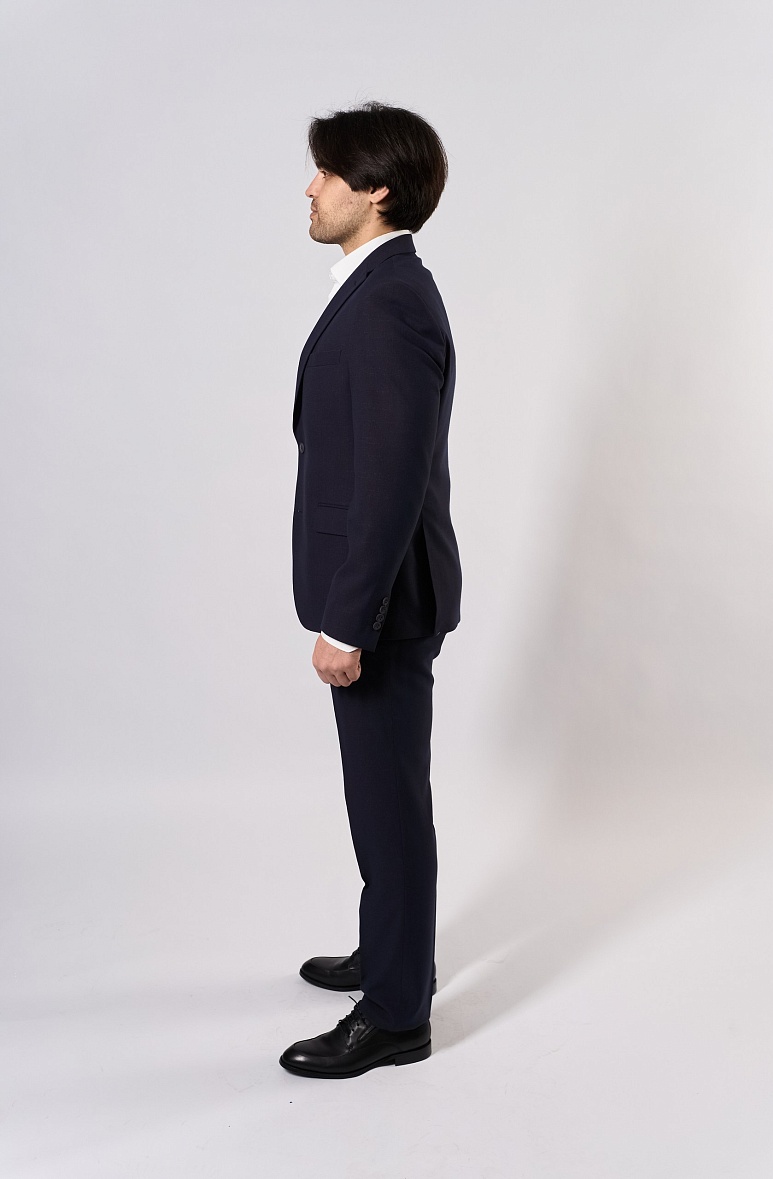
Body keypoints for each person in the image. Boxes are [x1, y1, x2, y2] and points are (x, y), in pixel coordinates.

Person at [279, 100, 462, 1079]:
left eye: (327, 172)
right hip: (380, 592)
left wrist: (348, 622)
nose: (310, 188)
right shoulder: (378, 286)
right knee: (380, 795)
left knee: (388, 804)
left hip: (385, 604)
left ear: (376, 189)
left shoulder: (391, 303)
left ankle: (395, 1013)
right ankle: (391, 948)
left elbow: (390, 480)